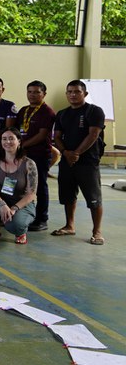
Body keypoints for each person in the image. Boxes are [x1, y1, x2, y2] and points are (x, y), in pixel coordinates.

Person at [52, 80, 106, 245]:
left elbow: (93, 134)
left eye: (77, 91)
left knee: (93, 198)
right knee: (68, 195)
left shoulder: (94, 111)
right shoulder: (62, 114)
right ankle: (70, 225)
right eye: (70, 92)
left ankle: (97, 231)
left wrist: (77, 153)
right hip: (67, 161)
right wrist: (66, 153)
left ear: (85, 94)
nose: (73, 95)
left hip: (88, 162)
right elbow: (57, 137)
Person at [0, 128, 37, 245]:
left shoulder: (29, 163)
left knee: (14, 225)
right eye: (4, 139)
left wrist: (14, 208)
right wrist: (2, 204)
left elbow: (32, 194)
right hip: (0, 200)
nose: (7, 142)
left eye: (11, 138)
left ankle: (20, 231)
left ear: (19, 141)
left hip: (22, 202)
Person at [15, 80, 55, 232]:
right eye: (30, 91)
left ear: (44, 94)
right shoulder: (23, 110)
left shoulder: (47, 112)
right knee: (20, 185)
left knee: (40, 187)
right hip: (21, 156)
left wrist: (22, 145)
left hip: (38, 156)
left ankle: (42, 219)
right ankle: (20, 214)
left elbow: (42, 135)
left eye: (37, 92)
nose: (32, 95)